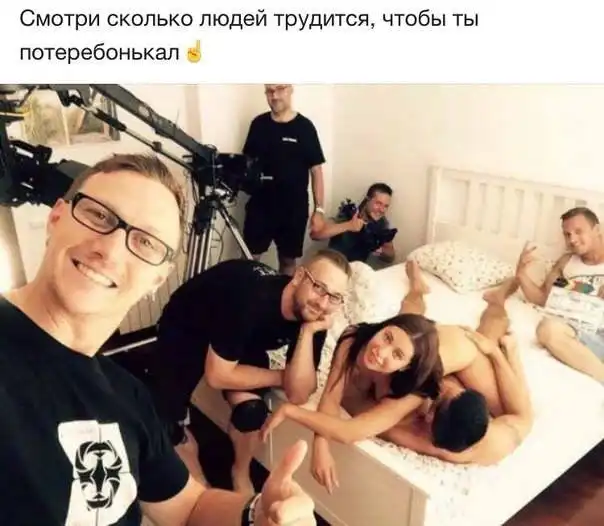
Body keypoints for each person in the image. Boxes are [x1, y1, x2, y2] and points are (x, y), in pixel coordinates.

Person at [0, 152, 317, 526]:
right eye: (99, 215)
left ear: (158, 279)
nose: (110, 250)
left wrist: (256, 514)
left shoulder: (127, 397)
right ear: (56, 218)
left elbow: (189, 507)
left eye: (145, 241)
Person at [260, 262, 533, 489]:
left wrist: (499, 354)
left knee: (477, 335)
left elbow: (354, 428)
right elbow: (334, 399)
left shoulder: (417, 390)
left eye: (432, 411)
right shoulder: (379, 347)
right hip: (448, 347)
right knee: (415, 325)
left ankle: (498, 299)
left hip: (447, 353)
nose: (429, 407)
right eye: (437, 404)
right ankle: (417, 288)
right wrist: (321, 444)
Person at [148, 249, 351, 495]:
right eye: (319, 287)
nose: (323, 303)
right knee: (167, 423)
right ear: (299, 277)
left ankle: (240, 472)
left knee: (252, 412)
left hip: (247, 338)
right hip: (188, 326)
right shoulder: (250, 298)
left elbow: (299, 394)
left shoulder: (316, 317)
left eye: (334, 297)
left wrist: (307, 333)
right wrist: (282, 377)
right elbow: (217, 376)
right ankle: (198, 486)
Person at [242, 83, 326, 275]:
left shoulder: (305, 127)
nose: (275, 96)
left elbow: (316, 171)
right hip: (260, 207)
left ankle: (284, 294)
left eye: (280, 89)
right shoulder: (258, 125)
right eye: (270, 91)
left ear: (290, 90)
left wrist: (319, 210)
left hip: (293, 209)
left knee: (288, 261)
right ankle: (248, 293)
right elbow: (247, 163)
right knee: (249, 260)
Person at [517, 207, 604, 382]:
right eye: (567, 234)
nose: (572, 239)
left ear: (596, 229)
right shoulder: (566, 262)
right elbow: (543, 298)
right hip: (578, 331)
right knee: (547, 329)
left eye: (578, 231)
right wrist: (521, 274)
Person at [310, 182, 396, 265]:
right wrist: (348, 225)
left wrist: (379, 249)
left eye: (386, 206)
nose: (382, 210)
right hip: (331, 265)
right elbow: (316, 235)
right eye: (378, 203)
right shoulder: (349, 213)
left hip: (354, 270)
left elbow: (391, 257)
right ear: (367, 200)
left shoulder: (381, 223)